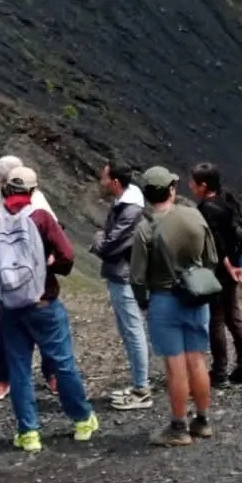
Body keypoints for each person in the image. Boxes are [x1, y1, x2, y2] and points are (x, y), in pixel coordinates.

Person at [0, 165, 98, 452]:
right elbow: (67, 255)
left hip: (9, 305)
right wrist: (51, 271)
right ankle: (82, 421)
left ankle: (29, 433)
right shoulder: (41, 217)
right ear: (33, 191)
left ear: (6, 189)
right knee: (62, 362)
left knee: (19, 369)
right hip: (43, 300)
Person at [131, 166, 219, 447]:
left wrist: (144, 302)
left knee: (175, 365)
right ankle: (203, 420)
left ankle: (178, 428)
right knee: (198, 359)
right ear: (171, 189)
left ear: (147, 195)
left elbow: (137, 276)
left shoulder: (145, 229)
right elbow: (211, 258)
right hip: (195, 295)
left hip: (164, 300)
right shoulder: (194, 215)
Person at [0, 153, 59, 402]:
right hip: (4, 277)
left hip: (36, 275)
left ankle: (52, 373)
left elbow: (55, 230)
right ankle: (3, 378)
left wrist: (53, 259)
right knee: (5, 328)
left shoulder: (38, 201)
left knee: (44, 323)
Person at [89, 160, 151, 409]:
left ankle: (142, 389)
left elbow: (108, 246)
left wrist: (97, 238)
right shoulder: (124, 205)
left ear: (115, 182)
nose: (101, 182)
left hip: (125, 276)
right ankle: (139, 384)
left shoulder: (129, 210)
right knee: (129, 331)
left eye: (104, 178)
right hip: (121, 275)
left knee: (133, 330)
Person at [189, 163, 242, 386]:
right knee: (234, 316)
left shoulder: (206, 210)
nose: (190, 185)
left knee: (216, 320)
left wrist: (226, 266)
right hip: (235, 267)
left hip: (219, 270)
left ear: (204, 186)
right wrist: (239, 267)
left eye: (193, 183)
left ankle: (219, 372)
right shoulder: (227, 200)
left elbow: (216, 245)